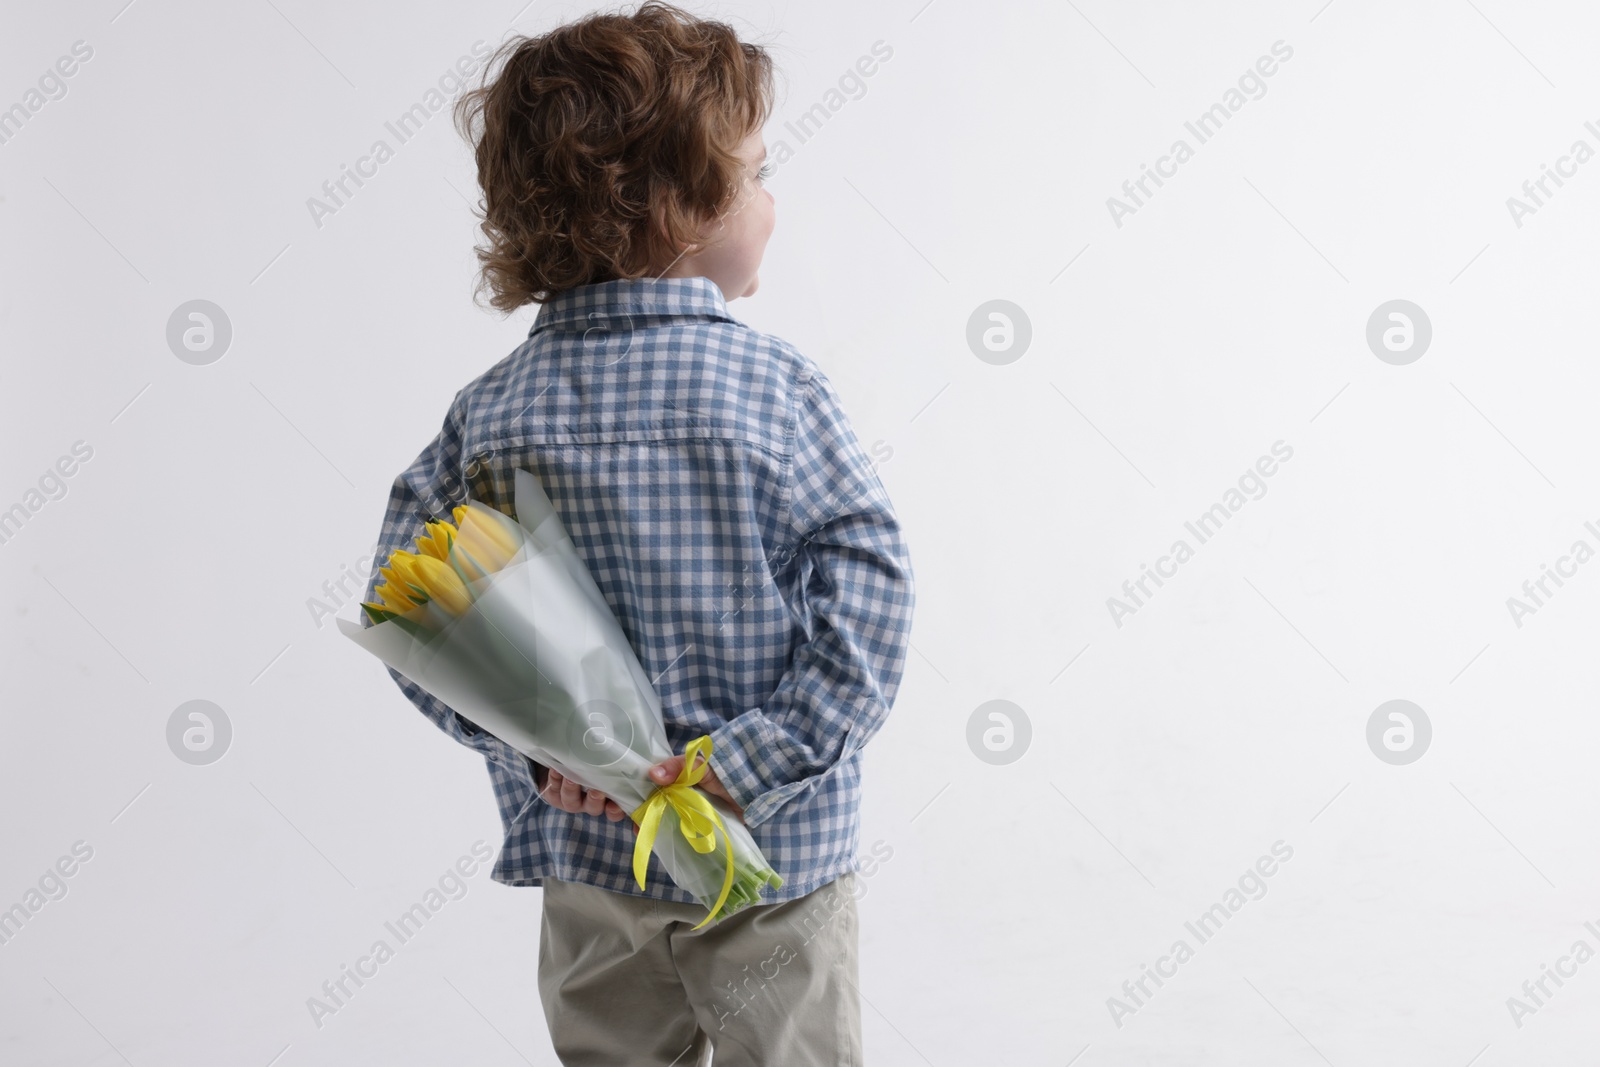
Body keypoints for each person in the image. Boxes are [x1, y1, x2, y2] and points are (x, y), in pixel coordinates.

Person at [366, 4, 915, 1062]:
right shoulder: (778, 390)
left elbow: (408, 604)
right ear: (673, 208)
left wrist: (532, 752)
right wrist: (746, 762)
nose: (769, 197)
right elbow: (870, 602)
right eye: (753, 171)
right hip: (776, 857)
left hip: (591, 856)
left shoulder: (491, 410)